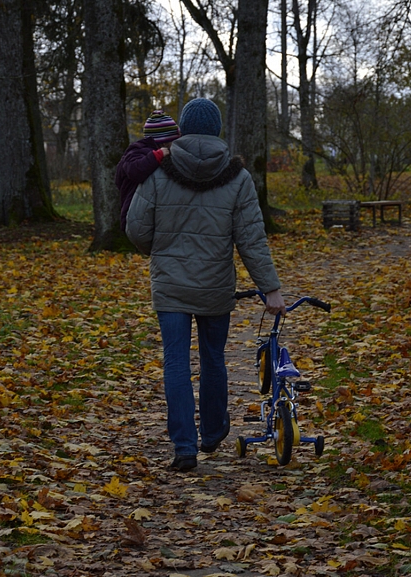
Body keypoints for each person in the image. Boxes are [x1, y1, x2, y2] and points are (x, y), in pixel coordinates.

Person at [126, 97, 286, 472]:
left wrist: (156, 249)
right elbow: (251, 239)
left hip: (170, 287)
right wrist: (271, 288)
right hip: (215, 285)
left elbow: (135, 228)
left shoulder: (158, 171)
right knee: (214, 359)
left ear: (183, 130)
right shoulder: (238, 177)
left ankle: (184, 446)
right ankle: (212, 433)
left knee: (176, 362)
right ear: (217, 130)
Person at [115, 110, 181, 232]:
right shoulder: (138, 152)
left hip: (143, 215)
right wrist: (157, 156)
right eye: (174, 141)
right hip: (134, 215)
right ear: (164, 142)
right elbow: (135, 170)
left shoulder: (143, 152)